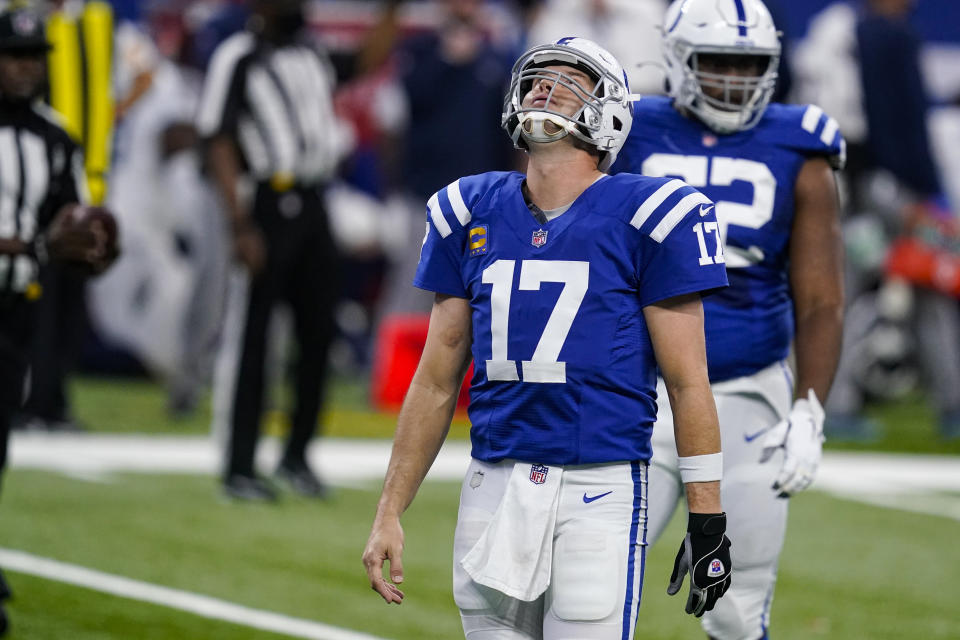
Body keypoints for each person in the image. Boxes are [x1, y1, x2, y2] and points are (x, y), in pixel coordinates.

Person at [363, 37, 733, 639]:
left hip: (599, 482)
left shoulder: (651, 214)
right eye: (538, 77)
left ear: (609, 112)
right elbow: (434, 381)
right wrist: (389, 511)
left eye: (568, 79)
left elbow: (690, 385)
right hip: (493, 479)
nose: (545, 86)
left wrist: (707, 517)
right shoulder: (469, 208)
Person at [611, 0, 845, 638]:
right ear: (680, 58)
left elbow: (821, 296)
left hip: (745, 386)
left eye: (749, 65)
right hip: (639, 389)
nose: (734, 79)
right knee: (593, 585)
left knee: (736, 606)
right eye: (718, 61)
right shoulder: (626, 127)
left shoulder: (800, 143)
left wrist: (810, 407)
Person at [196, 0, 346, 501]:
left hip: (315, 198)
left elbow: (365, 62)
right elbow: (216, 136)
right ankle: (238, 465)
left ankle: (296, 454)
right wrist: (239, 222)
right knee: (254, 338)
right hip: (267, 199)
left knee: (319, 333)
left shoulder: (311, 52)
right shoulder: (238, 54)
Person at [0, 7, 116, 633]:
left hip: (15, 307)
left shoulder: (54, 135)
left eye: (33, 57)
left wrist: (95, 249)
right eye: (13, 56)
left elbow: (69, 218)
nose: (25, 68)